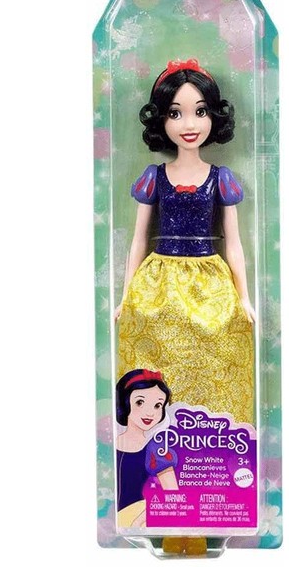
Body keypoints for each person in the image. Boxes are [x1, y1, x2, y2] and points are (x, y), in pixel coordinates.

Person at [116, 58, 255, 424]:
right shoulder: (155, 176)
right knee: (158, 358)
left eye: (200, 112)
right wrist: (126, 295)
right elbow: (138, 239)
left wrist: (244, 297)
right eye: (176, 114)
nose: (189, 125)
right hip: (159, 278)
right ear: (162, 120)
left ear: (214, 116)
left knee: (214, 353)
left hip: (209, 278)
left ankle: (214, 427)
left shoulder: (221, 178)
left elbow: (234, 243)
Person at [116, 369, 178, 528]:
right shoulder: (109, 443)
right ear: (125, 402)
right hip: (112, 517)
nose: (150, 412)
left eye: (158, 405)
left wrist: (139, 520)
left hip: (134, 517)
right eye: (140, 402)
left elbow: (172, 494)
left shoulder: (156, 448)